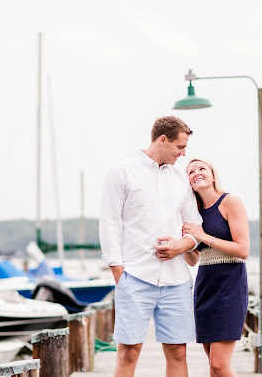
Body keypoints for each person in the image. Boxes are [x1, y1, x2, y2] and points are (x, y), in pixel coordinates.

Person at [98, 116, 203, 377]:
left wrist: (181, 246)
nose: (184, 153)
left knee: (178, 352)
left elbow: (194, 225)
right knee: (129, 352)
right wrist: (118, 271)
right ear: (162, 140)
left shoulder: (180, 180)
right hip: (134, 276)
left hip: (177, 280)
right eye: (180, 147)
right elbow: (109, 223)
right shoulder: (121, 172)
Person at [182, 158, 250, 377]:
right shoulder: (193, 211)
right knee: (212, 365)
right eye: (191, 171)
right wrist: (181, 241)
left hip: (230, 284)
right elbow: (193, 260)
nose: (196, 173)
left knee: (220, 365)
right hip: (205, 286)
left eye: (202, 169)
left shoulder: (230, 202)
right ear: (188, 182)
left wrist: (203, 236)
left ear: (213, 175)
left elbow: (243, 250)